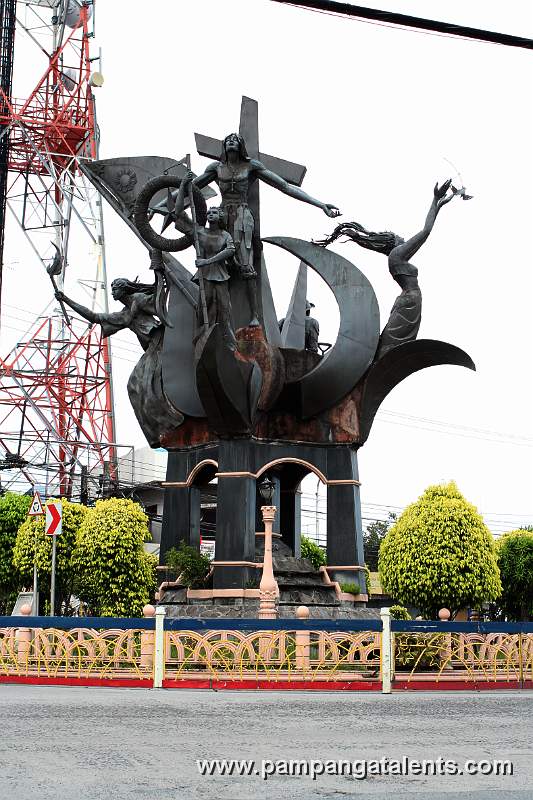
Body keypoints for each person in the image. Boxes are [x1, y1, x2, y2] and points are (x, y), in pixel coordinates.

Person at [192, 132, 341, 325]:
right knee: (214, 256)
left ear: (241, 145)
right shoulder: (216, 168)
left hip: (242, 217)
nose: (231, 142)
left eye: (235, 140)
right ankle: (214, 313)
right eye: (228, 140)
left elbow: (284, 186)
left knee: (245, 263)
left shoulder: (251, 166)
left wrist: (320, 204)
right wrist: (163, 204)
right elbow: (190, 188)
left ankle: (254, 315)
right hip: (221, 215)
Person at [54, 252, 184, 446]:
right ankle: (159, 430)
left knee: (144, 383)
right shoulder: (124, 315)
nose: (113, 291)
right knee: (134, 386)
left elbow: (159, 295)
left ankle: (171, 422)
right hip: (151, 347)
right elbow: (94, 317)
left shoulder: (139, 300)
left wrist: (158, 269)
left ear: (123, 289)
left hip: (160, 341)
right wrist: (66, 299)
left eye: (115, 287)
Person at [319, 180, 454, 358]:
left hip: (408, 300)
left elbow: (425, 232)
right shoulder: (396, 255)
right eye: (400, 237)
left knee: (393, 342)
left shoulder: (397, 258)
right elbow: (426, 231)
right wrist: (435, 200)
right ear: (394, 242)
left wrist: (438, 205)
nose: (404, 238)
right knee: (393, 346)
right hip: (410, 300)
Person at [174, 172, 237, 349]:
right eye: (209, 212)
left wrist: (207, 262)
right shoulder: (199, 231)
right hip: (205, 277)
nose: (210, 213)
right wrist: (183, 186)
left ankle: (228, 340)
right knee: (204, 306)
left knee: (225, 309)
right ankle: (202, 337)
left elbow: (230, 250)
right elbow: (178, 213)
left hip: (220, 276)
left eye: (214, 212)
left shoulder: (225, 235)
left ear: (220, 216)